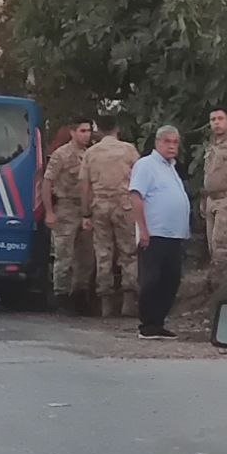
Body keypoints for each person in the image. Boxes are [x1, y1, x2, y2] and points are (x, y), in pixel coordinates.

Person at [129, 125, 191, 339]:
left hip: (174, 234)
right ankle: (147, 324)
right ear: (157, 143)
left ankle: (158, 321)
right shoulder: (146, 165)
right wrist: (143, 229)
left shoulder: (171, 167)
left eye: (175, 142)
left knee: (171, 279)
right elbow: (136, 196)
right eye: (167, 141)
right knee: (151, 279)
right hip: (155, 232)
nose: (172, 146)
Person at [80, 115, 140, 318]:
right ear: (117, 128)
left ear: (99, 130)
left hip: (100, 206)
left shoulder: (90, 153)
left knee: (103, 253)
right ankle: (129, 301)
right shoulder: (129, 150)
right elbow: (140, 178)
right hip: (124, 205)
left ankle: (105, 302)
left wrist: (85, 212)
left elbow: (84, 186)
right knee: (128, 252)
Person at [41, 116, 94, 314]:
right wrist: (49, 211)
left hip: (86, 209)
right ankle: (60, 295)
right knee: (64, 254)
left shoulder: (90, 154)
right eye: (82, 131)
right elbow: (47, 182)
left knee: (86, 256)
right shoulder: (60, 155)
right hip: (66, 208)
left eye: (88, 131)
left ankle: (80, 294)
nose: (86, 135)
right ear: (72, 132)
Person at [201, 105, 227, 288]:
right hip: (211, 199)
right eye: (213, 120)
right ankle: (216, 286)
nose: (216, 123)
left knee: (222, 246)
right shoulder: (212, 145)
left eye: (220, 119)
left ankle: (224, 289)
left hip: (226, 199)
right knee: (212, 246)